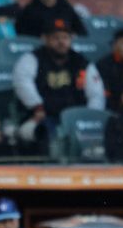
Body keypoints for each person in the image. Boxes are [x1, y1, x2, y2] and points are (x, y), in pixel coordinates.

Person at [13, 18, 104, 152]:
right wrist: (37, 106)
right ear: (45, 39)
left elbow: (96, 94)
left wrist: (89, 116)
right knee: (42, 135)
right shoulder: (32, 59)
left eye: (65, 37)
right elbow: (22, 82)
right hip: (43, 115)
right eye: (55, 38)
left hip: (77, 118)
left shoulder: (81, 62)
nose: (61, 42)